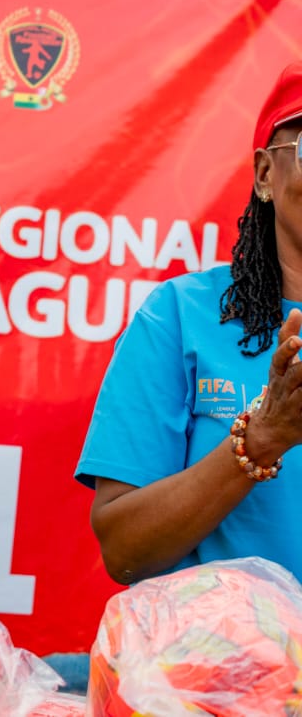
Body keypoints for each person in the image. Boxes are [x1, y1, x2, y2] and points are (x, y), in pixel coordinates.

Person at [76, 60, 302, 587]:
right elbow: (126, 550)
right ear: (266, 173)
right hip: (219, 662)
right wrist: (260, 440)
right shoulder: (180, 315)